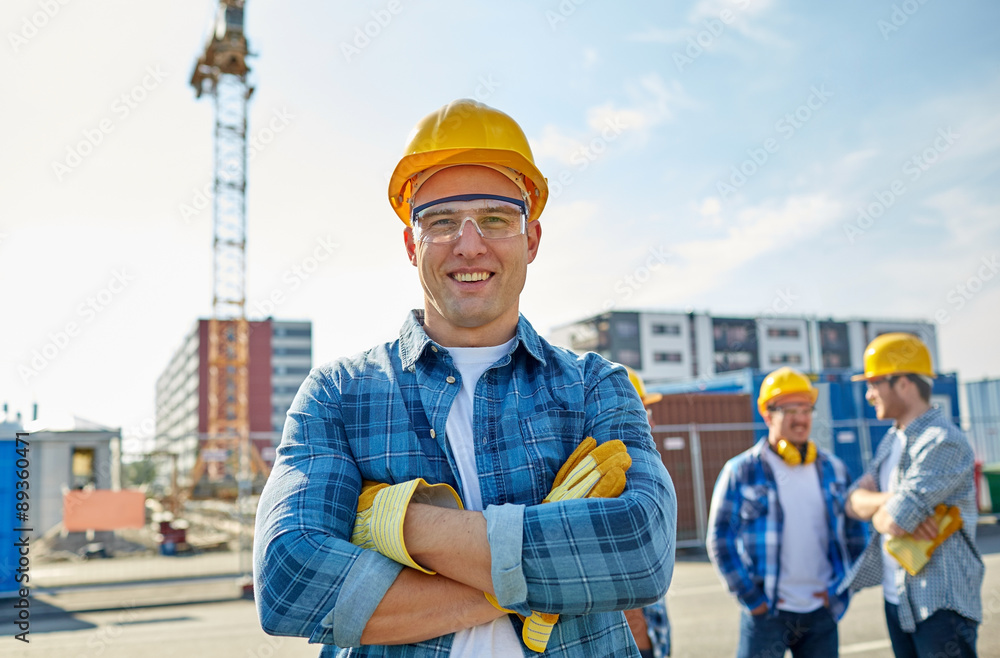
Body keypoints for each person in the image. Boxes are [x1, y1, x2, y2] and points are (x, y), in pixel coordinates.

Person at [253, 99, 677, 657]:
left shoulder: (597, 387)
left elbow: (640, 550)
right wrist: (555, 575)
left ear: (532, 240)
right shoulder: (339, 395)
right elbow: (290, 583)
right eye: (441, 221)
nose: (469, 243)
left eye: (496, 219)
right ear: (411, 245)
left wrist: (393, 523)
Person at [707, 367, 867, 658]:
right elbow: (720, 539)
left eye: (806, 409)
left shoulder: (834, 469)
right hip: (767, 612)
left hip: (821, 612)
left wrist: (841, 592)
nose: (800, 418)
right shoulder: (741, 471)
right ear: (768, 415)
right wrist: (751, 598)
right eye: (789, 409)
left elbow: (856, 535)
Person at [841, 332, 983, 658]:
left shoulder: (942, 441)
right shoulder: (893, 440)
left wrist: (885, 509)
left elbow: (893, 522)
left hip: (940, 607)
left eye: (875, 383)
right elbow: (851, 501)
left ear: (903, 383)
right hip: (899, 599)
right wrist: (894, 499)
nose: (869, 394)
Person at [624, 367, 671, 658]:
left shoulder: (646, 468)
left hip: (649, 634)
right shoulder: (598, 477)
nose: (650, 421)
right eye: (643, 410)